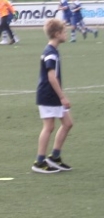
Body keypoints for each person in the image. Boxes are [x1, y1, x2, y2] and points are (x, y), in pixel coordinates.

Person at [32, 19, 75, 174]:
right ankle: (39, 162)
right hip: (48, 95)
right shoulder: (50, 52)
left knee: (68, 123)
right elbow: (51, 77)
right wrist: (62, 97)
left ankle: (54, 157)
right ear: (57, 34)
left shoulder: (53, 51)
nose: (66, 34)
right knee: (49, 127)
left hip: (53, 95)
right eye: (64, 32)